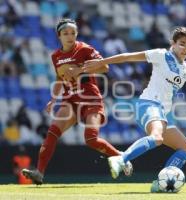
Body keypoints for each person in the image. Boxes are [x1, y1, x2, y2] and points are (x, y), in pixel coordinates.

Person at [65, 27, 186, 192]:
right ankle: (121, 158)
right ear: (172, 43)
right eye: (182, 43)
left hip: (163, 113)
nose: (185, 48)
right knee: (157, 138)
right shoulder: (161, 55)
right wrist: (101, 62)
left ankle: (159, 183)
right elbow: (128, 57)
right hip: (148, 105)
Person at [22, 18, 132, 185]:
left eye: (73, 33)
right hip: (70, 100)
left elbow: (105, 67)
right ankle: (39, 172)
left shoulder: (85, 49)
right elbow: (60, 78)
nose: (70, 36)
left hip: (90, 98)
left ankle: (121, 156)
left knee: (91, 139)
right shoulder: (56, 56)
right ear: (59, 36)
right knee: (51, 133)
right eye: (65, 33)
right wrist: (53, 99)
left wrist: (80, 69)